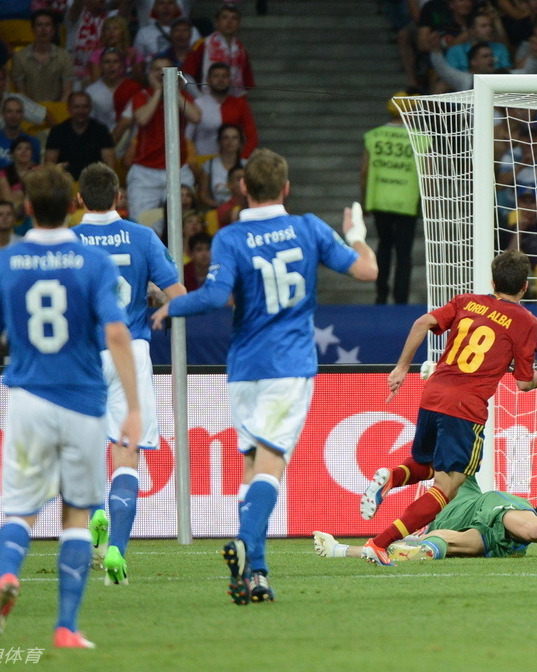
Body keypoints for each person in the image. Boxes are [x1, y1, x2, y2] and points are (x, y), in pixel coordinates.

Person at [149, 148, 378, 603]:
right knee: (272, 467)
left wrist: (174, 304)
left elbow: (214, 296)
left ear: (243, 189)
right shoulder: (308, 227)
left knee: (252, 467)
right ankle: (247, 544)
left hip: (244, 370)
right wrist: (356, 235)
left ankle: (257, 574)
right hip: (289, 367)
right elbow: (367, 271)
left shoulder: (231, 237)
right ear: (286, 188)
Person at [0, 166, 140, 649]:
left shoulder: (3, 263)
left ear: (26, 208)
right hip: (84, 403)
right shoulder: (93, 263)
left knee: (21, 509)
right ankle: (66, 627)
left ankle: (8, 575)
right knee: (75, 515)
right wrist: (131, 406)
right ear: (72, 205)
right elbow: (115, 333)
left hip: (29, 399)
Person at [359, 249, 537, 566]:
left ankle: (391, 477)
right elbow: (524, 383)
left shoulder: (466, 301)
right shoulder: (525, 321)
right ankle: (380, 542)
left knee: (428, 466)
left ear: (492, 280)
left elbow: (421, 323)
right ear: (525, 286)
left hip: (433, 395)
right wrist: (534, 376)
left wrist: (401, 368)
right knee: (447, 488)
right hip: (465, 409)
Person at [71, 162, 186, 586]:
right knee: (127, 455)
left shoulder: (66, 240)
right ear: (119, 197)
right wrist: (153, 298)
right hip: (130, 352)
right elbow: (179, 296)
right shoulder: (142, 237)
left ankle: (93, 515)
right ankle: (117, 545)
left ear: (79, 198)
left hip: (81, 354)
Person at [315, 476, 537, 561]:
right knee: (431, 548)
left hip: (490, 507)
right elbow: (390, 551)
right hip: (480, 539)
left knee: (533, 529)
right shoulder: (423, 524)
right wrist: (339, 549)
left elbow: (450, 440)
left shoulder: (456, 483)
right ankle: (423, 553)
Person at [123, 56, 202, 237]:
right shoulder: (142, 96)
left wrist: (173, 90)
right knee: (141, 225)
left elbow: (196, 117)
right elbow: (142, 119)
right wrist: (159, 91)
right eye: (156, 69)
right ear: (150, 73)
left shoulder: (182, 96)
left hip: (178, 168)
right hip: (145, 172)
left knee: (184, 221)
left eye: (166, 70)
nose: (161, 73)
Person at [361, 92, 422, 304]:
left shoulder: (374, 135)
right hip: (407, 201)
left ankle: (381, 295)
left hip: (380, 200)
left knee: (384, 246)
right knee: (404, 252)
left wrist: (364, 200)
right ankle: (401, 299)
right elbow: (429, 175)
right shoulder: (420, 138)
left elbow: (364, 172)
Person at [185, 63, 258, 160]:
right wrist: (193, 162)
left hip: (232, 163)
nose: (221, 80)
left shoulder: (240, 105)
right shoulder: (197, 104)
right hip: (203, 161)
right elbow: (187, 138)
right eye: (216, 76)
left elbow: (252, 137)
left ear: (230, 80)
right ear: (208, 79)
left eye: (225, 76)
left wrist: (241, 160)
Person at [44, 92, 116, 181]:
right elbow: (50, 164)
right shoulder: (57, 131)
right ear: (69, 108)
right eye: (76, 107)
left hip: (94, 181)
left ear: (90, 108)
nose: (81, 111)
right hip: (65, 182)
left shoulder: (101, 130)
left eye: (85, 106)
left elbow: (110, 162)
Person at [10, 10, 75, 102]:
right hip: (30, 109)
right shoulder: (20, 57)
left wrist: (58, 111)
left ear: (53, 30)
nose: (43, 29)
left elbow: (67, 92)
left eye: (48, 25)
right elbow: (21, 92)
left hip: (57, 108)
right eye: (39, 25)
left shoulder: (65, 56)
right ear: (33, 29)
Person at [0, 97, 41, 190]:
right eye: (9, 111)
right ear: (2, 114)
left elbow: (35, 172)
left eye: (18, 112)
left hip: (27, 190)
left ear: (22, 115)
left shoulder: (33, 142)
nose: (14, 115)